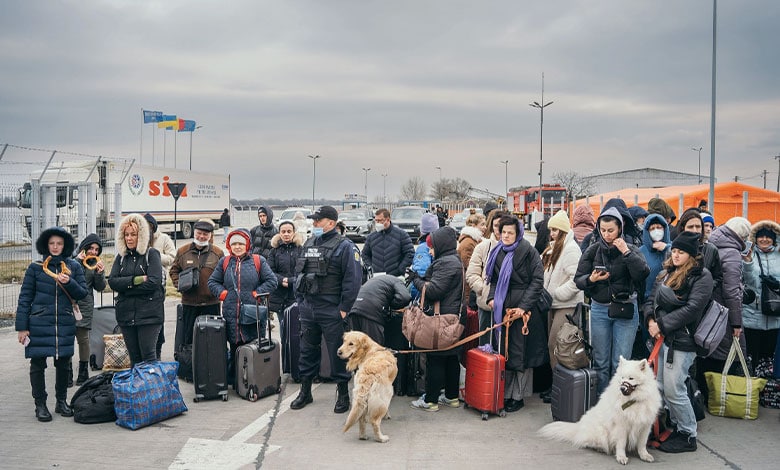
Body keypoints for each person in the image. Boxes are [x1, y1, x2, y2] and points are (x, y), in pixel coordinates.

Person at [643, 231, 713, 453]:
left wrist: (660, 325)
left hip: (683, 341)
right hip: (664, 338)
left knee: (674, 389)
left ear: (691, 255)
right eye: (673, 251)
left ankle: (688, 433)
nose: (675, 255)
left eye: (680, 252)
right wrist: (650, 321)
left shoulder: (702, 276)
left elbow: (693, 309)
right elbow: (650, 300)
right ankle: (674, 427)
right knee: (662, 386)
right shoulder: (666, 272)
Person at [289, 206, 362, 413]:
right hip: (309, 308)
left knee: (338, 353)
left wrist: (344, 309)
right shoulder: (310, 243)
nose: (314, 224)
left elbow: (353, 280)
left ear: (331, 223)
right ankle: (305, 391)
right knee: (307, 351)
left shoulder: (345, 246)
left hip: (331, 310)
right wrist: (301, 301)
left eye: (317, 221)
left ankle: (343, 394)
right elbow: (300, 274)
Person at [574, 206, 650, 395]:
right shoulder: (592, 250)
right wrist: (591, 279)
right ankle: (602, 403)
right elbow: (578, 280)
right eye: (603, 230)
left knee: (621, 362)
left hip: (625, 309)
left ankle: (619, 403)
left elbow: (642, 273)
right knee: (600, 361)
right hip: (600, 309)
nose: (606, 234)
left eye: (611, 230)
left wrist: (626, 253)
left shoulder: (630, 248)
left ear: (620, 228)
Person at [16, 227, 87, 421]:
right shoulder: (36, 268)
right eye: (52, 243)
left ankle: (61, 401)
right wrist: (22, 327)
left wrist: (69, 282)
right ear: (46, 245)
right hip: (38, 323)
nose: (55, 247)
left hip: (63, 322)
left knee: (63, 364)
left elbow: (82, 293)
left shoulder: (74, 266)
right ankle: (40, 405)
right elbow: (24, 299)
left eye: (59, 243)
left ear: (65, 245)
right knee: (38, 364)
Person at [485, 215, 545, 412]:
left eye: (510, 232)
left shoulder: (529, 251)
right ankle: (506, 393)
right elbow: (493, 279)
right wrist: (492, 298)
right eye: (503, 232)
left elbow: (537, 281)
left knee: (522, 354)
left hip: (523, 311)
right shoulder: (497, 252)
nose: (506, 236)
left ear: (518, 233)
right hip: (503, 309)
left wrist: (524, 307)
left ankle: (518, 396)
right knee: (504, 350)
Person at [208, 228, 277, 386]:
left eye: (240, 243)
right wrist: (223, 294)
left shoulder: (258, 261)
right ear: (229, 245)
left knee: (253, 348)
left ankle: (253, 380)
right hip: (231, 314)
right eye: (234, 244)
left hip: (252, 314)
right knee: (234, 348)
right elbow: (212, 282)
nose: (237, 247)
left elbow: (272, 281)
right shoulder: (225, 262)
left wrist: (256, 294)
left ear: (247, 244)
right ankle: (236, 380)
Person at [408, 227, 464, 412]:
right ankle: (451, 397)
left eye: (432, 248)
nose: (430, 251)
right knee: (450, 357)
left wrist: (415, 279)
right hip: (452, 316)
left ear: (441, 246)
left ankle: (430, 400)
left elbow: (433, 291)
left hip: (440, 319)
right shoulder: (454, 260)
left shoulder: (446, 263)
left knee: (435, 358)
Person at [700, 217, 751, 394]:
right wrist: (736, 323)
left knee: (708, 348)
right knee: (725, 352)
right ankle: (721, 394)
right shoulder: (732, 253)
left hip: (708, 308)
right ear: (741, 236)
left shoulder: (711, 243)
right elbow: (732, 291)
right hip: (723, 311)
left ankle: (706, 392)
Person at [108, 213, 165, 366]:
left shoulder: (151, 254)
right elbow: (112, 282)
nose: (129, 238)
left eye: (133, 234)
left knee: (148, 356)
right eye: (126, 235)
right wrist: (136, 280)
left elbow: (153, 282)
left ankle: (151, 389)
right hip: (126, 315)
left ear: (142, 235)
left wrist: (125, 288)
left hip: (149, 315)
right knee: (134, 358)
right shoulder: (121, 258)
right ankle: (137, 389)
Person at [169, 220, 224, 347]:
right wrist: (180, 284)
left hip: (211, 304)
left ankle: (211, 366)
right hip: (189, 303)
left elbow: (224, 275)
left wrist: (218, 290)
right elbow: (174, 271)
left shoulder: (218, 253)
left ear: (210, 235)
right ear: (194, 232)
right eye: (199, 233)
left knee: (212, 341)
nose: (201, 236)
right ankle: (190, 365)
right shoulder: (183, 251)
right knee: (188, 340)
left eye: (205, 234)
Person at [542, 210, 584, 373]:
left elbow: (576, 280)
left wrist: (558, 293)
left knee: (558, 344)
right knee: (554, 345)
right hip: (555, 303)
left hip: (566, 304)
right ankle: (557, 383)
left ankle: (560, 383)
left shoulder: (571, 250)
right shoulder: (556, 249)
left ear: (563, 230)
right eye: (550, 230)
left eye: (555, 230)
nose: (551, 233)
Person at [466, 210, 509, 345]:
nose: (500, 229)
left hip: (508, 306)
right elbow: (472, 274)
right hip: (486, 306)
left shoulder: (516, 248)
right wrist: (484, 290)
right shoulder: (482, 247)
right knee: (486, 344)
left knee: (505, 345)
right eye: (496, 225)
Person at [741, 221, 780, 367]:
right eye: (760, 236)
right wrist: (748, 262)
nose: (764, 239)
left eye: (768, 236)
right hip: (753, 314)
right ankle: (752, 386)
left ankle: (768, 388)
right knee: (752, 357)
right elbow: (750, 283)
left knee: (770, 359)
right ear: (755, 238)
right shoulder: (750, 253)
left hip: (775, 314)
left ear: (774, 238)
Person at [72, 233, 107, 386]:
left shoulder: (95, 263)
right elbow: (67, 277)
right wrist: (77, 261)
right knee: (66, 339)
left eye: (96, 249)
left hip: (85, 305)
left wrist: (100, 274)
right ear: (84, 248)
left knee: (83, 339)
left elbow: (100, 288)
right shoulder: (73, 261)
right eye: (91, 248)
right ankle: (66, 372)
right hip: (70, 303)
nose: (93, 251)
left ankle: (83, 371)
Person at [144, 213, 176, 359]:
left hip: (158, 283)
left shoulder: (163, 239)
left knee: (157, 318)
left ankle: (157, 351)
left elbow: (172, 258)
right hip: (142, 284)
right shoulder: (138, 239)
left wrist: (154, 255)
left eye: (149, 227)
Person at [346, 274, 411, 345]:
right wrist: (391, 306)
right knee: (375, 349)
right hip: (371, 312)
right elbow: (405, 297)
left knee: (357, 348)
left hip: (354, 309)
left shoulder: (378, 280)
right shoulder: (398, 282)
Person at [362, 208, 414, 277]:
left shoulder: (401, 235)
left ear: (388, 219)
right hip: (377, 277)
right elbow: (365, 254)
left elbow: (410, 253)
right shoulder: (371, 237)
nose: (377, 223)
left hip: (395, 277)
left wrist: (401, 269)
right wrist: (370, 267)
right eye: (376, 221)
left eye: (380, 221)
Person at [268, 221, 304, 316]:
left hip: (296, 294)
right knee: (283, 325)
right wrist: (282, 280)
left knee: (296, 327)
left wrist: (290, 281)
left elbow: (304, 271)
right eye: (283, 232)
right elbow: (270, 271)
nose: (286, 234)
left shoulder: (301, 250)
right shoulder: (273, 251)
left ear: (294, 232)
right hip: (279, 295)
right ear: (279, 233)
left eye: (289, 231)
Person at [457, 210, 486, 310]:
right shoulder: (469, 243)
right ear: (473, 226)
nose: (485, 228)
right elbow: (469, 266)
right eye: (482, 225)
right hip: (469, 289)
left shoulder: (475, 240)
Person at [638, 214, 671, 302]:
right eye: (652, 229)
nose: (656, 231)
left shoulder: (673, 248)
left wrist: (667, 248)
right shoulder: (640, 251)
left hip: (669, 299)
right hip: (647, 300)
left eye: (659, 227)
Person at [408, 212, 440, 300]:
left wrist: (415, 297)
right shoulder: (438, 244)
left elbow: (420, 274)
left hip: (423, 295)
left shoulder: (423, 248)